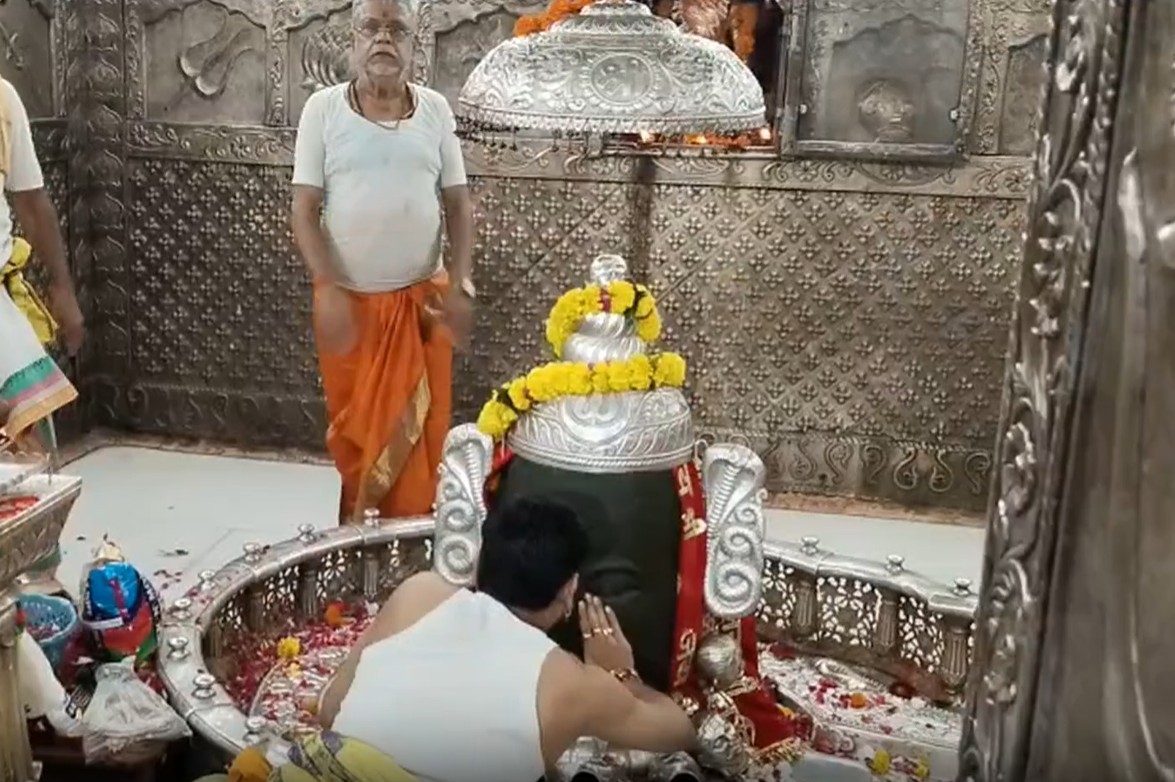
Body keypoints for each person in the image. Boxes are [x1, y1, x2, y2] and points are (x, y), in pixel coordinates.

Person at [314, 496, 697, 782]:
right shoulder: (570, 682)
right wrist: (621, 673)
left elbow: (331, 708)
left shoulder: (420, 593)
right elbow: (678, 730)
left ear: (479, 566)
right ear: (569, 593)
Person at [291, 0, 475, 524]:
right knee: (359, 431)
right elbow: (304, 209)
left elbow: (458, 203)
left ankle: (414, 542)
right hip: (349, 306)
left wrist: (461, 282)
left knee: (424, 435)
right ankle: (361, 538)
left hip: (423, 307)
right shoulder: (323, 110)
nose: (383, 39)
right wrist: (326, 286)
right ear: (352, 41)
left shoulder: (436, 109)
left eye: (397, 30)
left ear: (415, 45)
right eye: (371, 28)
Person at [0, 75, 85, 594]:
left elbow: (31, 202)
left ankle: (36, 593)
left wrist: (62, 288)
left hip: (1, 323)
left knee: (28, 468)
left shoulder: (3, 98)